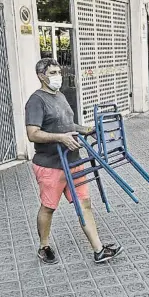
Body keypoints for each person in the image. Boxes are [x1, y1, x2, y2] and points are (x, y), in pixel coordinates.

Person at [25, 58, 122, 264]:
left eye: (58, 72)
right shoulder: (36, 101)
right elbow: (33, 133)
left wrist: (87, 130)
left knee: (84, 203)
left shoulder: (59, 95)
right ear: (41, 76)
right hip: (51, 164)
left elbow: (68, 124)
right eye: (52, 73)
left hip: (73, 161)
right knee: (49, 207)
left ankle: (98, 250)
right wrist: (60, 138)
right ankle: (44, 246)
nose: (57, 76)